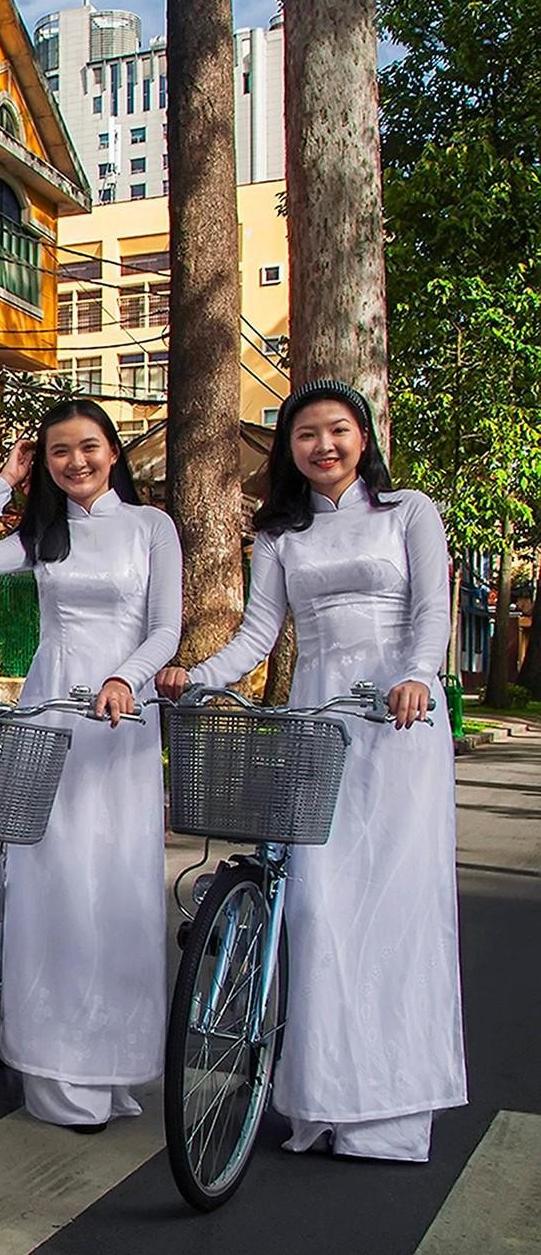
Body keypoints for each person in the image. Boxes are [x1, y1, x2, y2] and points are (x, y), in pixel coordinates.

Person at [156, 380, 465, 1162]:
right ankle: (321, 1098)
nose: (323, 445)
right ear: (290, 449)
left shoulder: (411, 513)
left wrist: (417, 677)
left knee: (392, 910)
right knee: (316, 911)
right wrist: (199, 674)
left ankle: (390, 1111)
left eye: (337, 430)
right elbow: (258, 635)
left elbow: (433, 610)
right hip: (316, 723)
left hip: (396, 723)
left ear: (363, 437)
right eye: (305, 435)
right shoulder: (284, 536)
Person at [0, 400, 180, 1132]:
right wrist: (4, 481)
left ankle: (111, 1060)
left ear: (113, 452)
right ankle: (51, 1062)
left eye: (87, 447)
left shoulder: (151, 528)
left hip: (121, 717)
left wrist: (126, 678)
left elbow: (167, 628)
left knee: (115, 878)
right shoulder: (44, 535)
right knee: (48, 877)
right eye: (57, 452)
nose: (74, 461)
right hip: (51, 706)